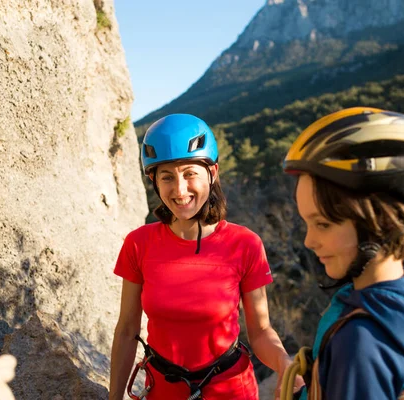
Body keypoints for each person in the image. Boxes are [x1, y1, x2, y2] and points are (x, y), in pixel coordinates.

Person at [282, 107, 404, 399]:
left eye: (323, 224)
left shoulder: (360, 343)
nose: (309, 240)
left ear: (379, 223)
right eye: (307, 223)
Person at [109, 113, 295, 400]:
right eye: (167, 176)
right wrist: (114, 396)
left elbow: (260, 331)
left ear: (213, 172)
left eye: (190, 173)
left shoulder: (245, 244)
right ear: (154, 181)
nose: (180, 189)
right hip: (163, 390)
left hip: (231, 389)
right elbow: (127, 330)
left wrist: (284, 363)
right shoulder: (139, 244)